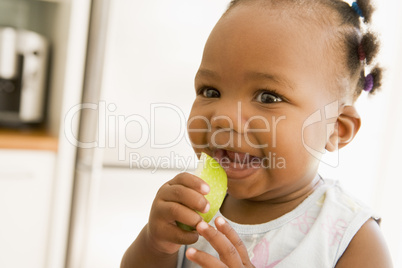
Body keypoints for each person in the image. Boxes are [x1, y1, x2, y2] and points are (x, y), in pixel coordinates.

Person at [121, 0, 393, 267]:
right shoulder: (192, 205)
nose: (223, 117)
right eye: (210, 91)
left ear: (336, 128)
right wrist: (155, 244)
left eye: (268, 97)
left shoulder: (352, 239)